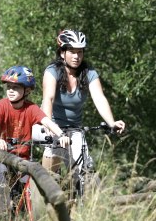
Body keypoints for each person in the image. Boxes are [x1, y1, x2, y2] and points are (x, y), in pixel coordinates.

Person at [0, 65, 70, 211]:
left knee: (36, 179)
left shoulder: (31, 108)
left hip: (20, 161)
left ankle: (32, 219)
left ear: (27, 90)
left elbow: (47, 122)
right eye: (9, 87)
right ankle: (2, 218)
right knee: (1, 171)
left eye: (16, 87)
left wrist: (61, 135)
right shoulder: (2, 105)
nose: (11, 91)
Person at [41, 29, 125, 174]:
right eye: (72, 52)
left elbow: (99, 98)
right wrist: (49, 125)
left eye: (80, 52)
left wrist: (112, 123)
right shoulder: (52, 71)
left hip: (75, 129)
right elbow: (48, 99)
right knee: (50, 176)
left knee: (82, 173)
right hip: (53, 127)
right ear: (62, 53)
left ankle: (78, 195)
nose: (76, 56)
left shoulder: (89, 73)